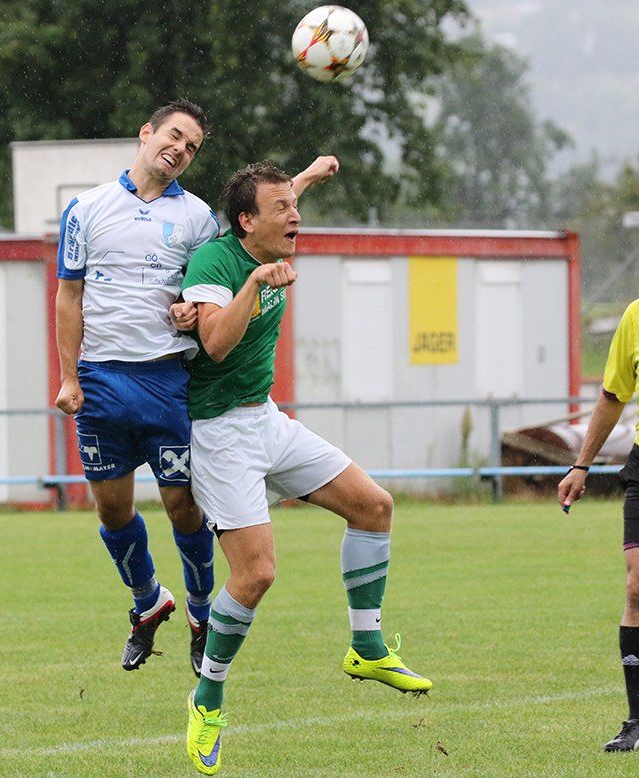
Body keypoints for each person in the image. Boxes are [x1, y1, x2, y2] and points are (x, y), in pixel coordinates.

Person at [54, 98, 340, 678]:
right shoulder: (86, 208)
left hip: (166, 380)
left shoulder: (198, 218)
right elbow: (69, 295)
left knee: (184, 509)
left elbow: (252, 230)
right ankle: (147, 601)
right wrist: (67, 376)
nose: (181, 149)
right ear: (147, 132)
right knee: (112, 510)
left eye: (192, 147)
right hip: (101, 381)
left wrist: (188, 310)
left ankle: (201, 613)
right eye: (175, 136)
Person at [180, 161, 432, 775]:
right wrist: (254, 284)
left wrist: (311, 174)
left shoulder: (266, 227)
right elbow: (214, 343)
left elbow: (279, 194)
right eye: (283, 210)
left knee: (374, 506)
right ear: (247, 222)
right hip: (219, 436)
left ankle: (366, 647)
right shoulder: (216, 263)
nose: (295, 216)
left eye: (295, 205)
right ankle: (207, 697)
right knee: (256, 574)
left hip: (265, 420)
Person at [559, 298, 639, 752]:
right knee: (637, 588)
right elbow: (613, 396)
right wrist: (581, 465)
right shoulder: (635, 316)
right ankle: (637, 722)